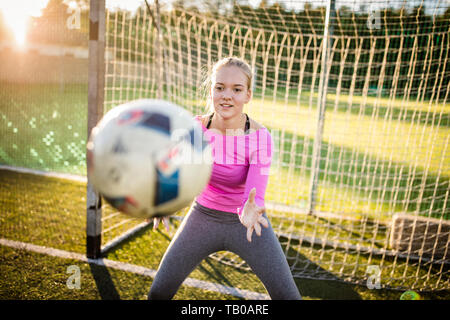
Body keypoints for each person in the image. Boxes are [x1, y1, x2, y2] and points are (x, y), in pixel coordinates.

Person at [148, 57, 301, 300]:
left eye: (237, 89)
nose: (227, 95)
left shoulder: (260, 137)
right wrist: (165, 200)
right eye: (220, 87)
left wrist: (251, 209)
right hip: (202, 216)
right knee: (158, 293)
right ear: (211, 91)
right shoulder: (194, 128)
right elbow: (175, 171)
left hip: (247, 223)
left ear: (248, 95)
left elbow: (255, 194)